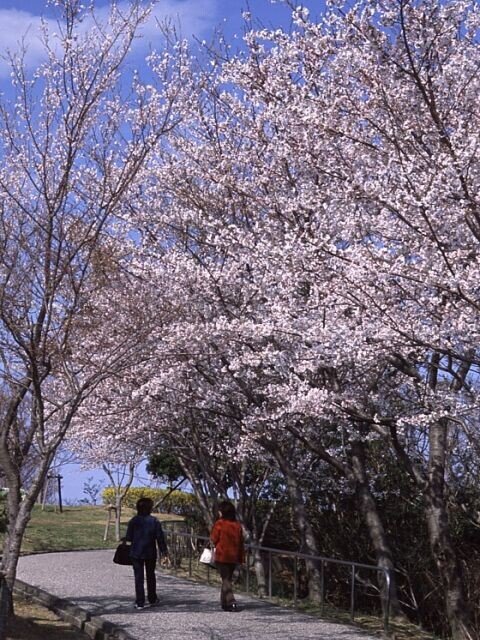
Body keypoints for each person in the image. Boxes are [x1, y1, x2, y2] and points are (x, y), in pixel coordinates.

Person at [126, 497, 168, 609]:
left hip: (136, 552)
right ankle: (152, 598)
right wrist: (164, 551)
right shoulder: (154, 521)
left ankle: (140, 602)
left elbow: (129, 537)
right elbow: (160, 538)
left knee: (138, 577)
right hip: (150, 552)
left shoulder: (133, 521)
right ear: (149, 508)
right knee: (151, 575)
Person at [210, 500, 244, 612]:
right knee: (227, 579)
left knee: (226, 580)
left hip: (222, 555)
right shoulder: (237, 525)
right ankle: (224, 603)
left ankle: (231, 601)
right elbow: (240, 542)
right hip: (233, 556)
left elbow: (214, 539)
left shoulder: (220, 523)